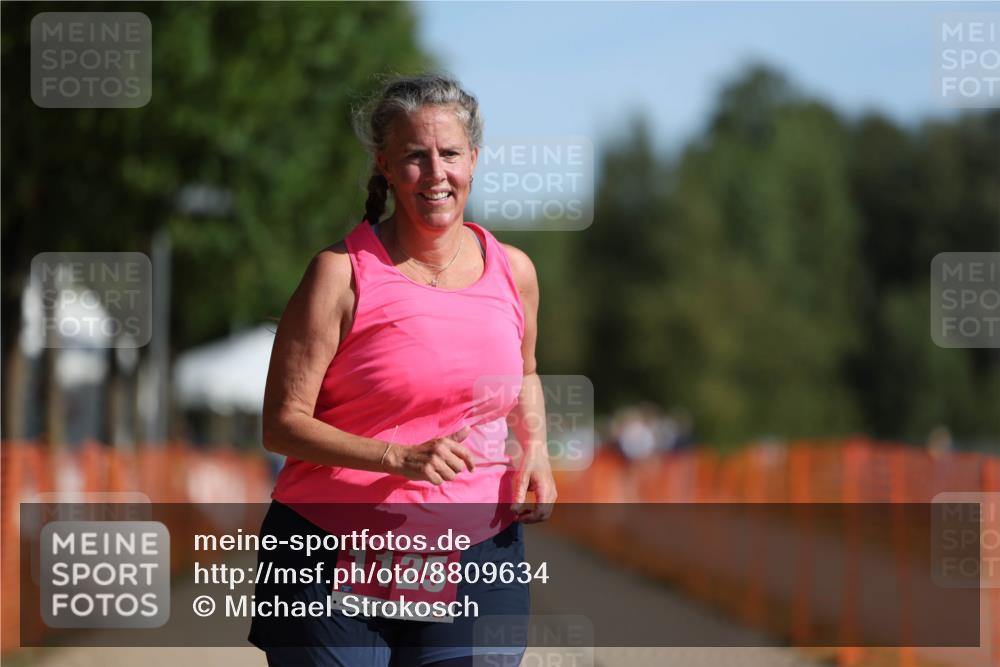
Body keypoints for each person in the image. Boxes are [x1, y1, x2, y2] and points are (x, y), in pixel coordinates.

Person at [248, 73, 557, 667]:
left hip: (475, 551)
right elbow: (281, 425)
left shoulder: (514, 271)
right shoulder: (339, 275)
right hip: (329, 552)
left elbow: (526, 371)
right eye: (415, 156)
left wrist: (535, 447)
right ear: (386, 167)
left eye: (449, 154)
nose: (436, 173)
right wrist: (399, 458)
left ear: (474, 159)